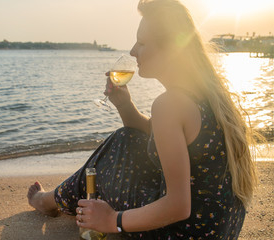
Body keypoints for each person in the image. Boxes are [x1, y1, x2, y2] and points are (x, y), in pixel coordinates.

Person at [27, 0, 259, 238]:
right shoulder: (207, 94)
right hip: (218, 228)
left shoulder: (169, 104)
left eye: (142, 43)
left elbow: (179, 205)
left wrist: (112, 220)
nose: (132, 51)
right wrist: (124, 104)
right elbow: (158, 134)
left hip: (184, 231)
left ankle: (50, 200)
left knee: (112, 154)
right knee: (126, 138)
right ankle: (55, 198)